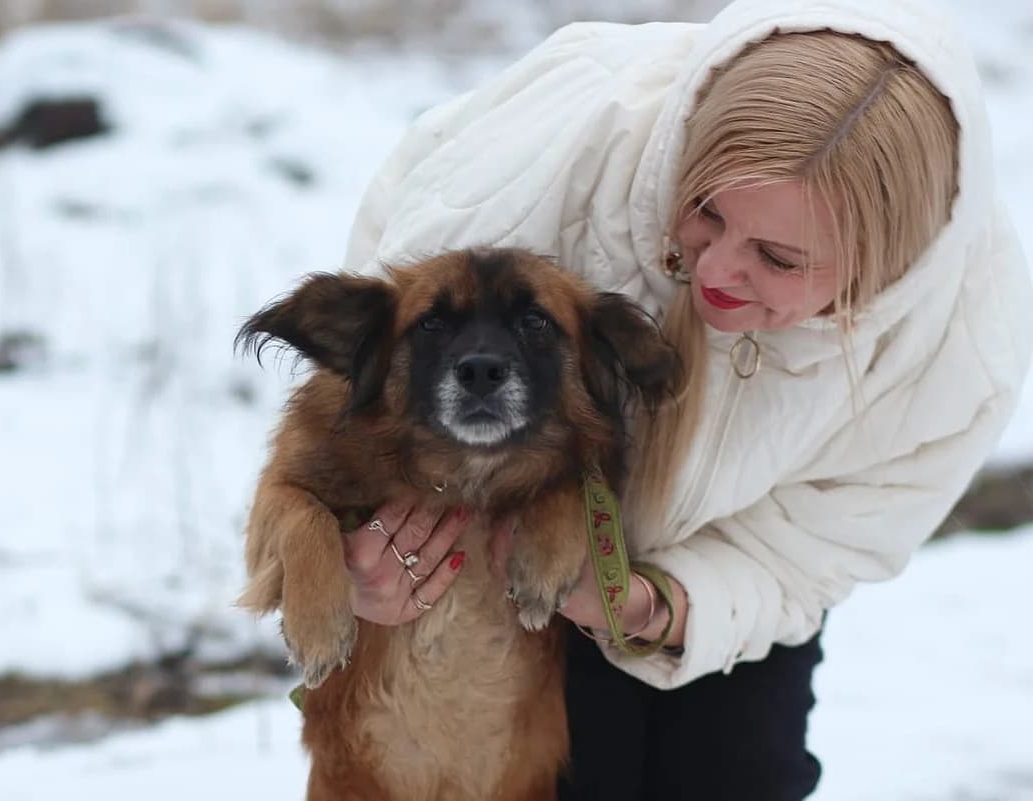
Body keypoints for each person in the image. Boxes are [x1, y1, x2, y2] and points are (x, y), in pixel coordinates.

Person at [331, 0, 1033, 798]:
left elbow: (812, 550)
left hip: (731, 574)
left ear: (876, 270)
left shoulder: (960, 340)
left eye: (777, 257)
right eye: (705, 210)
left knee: (736, 774)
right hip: (506, 545)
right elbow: (378, 361)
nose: (716, 271)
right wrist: (372, 549)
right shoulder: (562, 140)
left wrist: (657, 606)